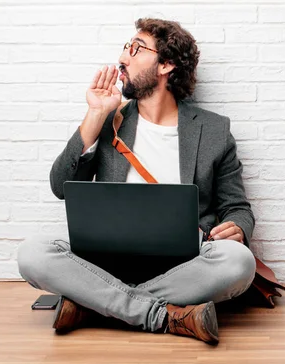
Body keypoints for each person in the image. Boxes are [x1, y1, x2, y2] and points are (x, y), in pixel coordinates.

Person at [16, 18, 257, 345]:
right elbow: (61, 186)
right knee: (33, 253)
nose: (123, 58)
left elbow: (238, 207)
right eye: (126, 47)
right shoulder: (110, 121)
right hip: (106, 259)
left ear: (166, 64)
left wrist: (237, 227)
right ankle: (165, 315)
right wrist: (95, 115)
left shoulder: (213, 130)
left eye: (136, 48)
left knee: (239, 262)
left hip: (184, 264)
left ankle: (94, 305)